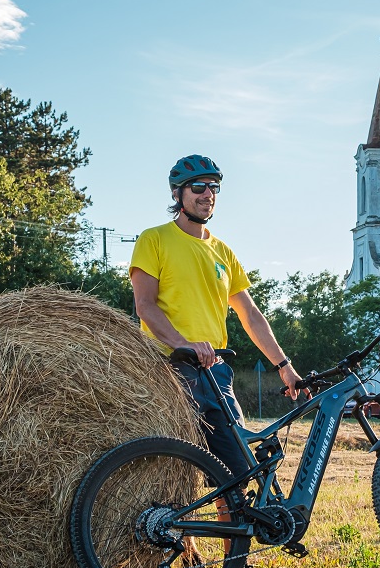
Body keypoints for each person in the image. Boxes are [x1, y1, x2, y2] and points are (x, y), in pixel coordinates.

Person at [129, 154, 304, 479]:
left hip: (216, 373)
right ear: (177, 193)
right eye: (198, 187)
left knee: (236, 476)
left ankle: (234, 533)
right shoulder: (153, 239)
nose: (207, 194)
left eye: (214, 187)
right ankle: (180, 534)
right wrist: (185, 345)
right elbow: (146, 305)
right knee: (173, 477)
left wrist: (284, 365)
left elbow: (250, 314)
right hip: (170, 371)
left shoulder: (223, 252)